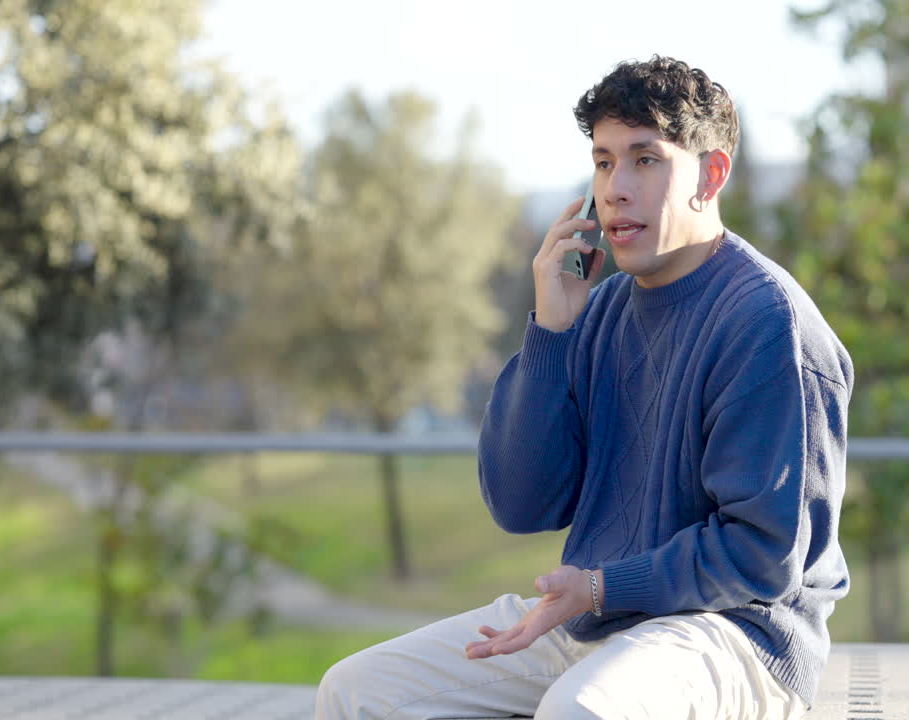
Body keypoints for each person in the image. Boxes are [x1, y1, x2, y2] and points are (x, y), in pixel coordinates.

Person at [315, 55, 853, 720]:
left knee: (581, 711)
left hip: (735, 636)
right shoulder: (599, 312)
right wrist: (550, 330)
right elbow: (521, 503)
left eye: (645, 159)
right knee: (358, 690)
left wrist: (601, 587)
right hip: (596, 620)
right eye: (603, 161)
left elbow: (763, 554)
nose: (615, 188)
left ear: (711, 175)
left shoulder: (767, 321)